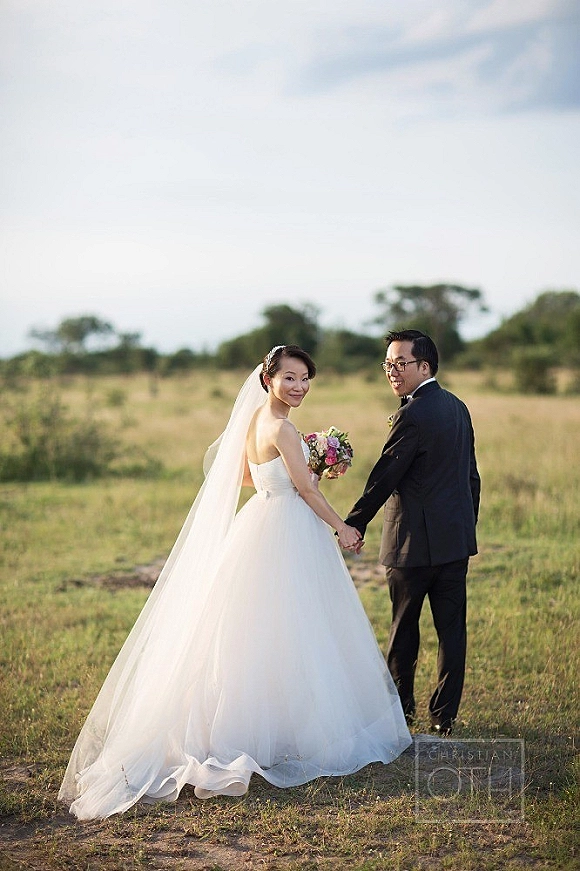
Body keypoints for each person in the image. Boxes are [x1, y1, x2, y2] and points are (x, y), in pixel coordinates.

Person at [59, 344, 411, 819]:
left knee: (257, 628)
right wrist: (342, 526)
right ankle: (291, 728)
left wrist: (296, 473)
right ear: (268, 380)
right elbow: (305, 491)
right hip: (287, 527)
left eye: (305, 378)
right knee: (296, 624)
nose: (300, 386)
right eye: (290, 377)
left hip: (260, 519)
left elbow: (245, 475)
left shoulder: (254, 423)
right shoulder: (282, 428)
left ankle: (263, 725)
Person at [344, 330, 480, 736]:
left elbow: (386, 475)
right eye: (388, 364)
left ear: (425, 366)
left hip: (411, 546)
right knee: (452, 632)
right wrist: (465, 526)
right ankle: (443, 718)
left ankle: (400, 713)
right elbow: (472, 477)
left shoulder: (413, 414)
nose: (392, 371)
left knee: (403, 629)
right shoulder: (458, 406)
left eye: (400, 363)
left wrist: (355, 521)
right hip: (454, 543)